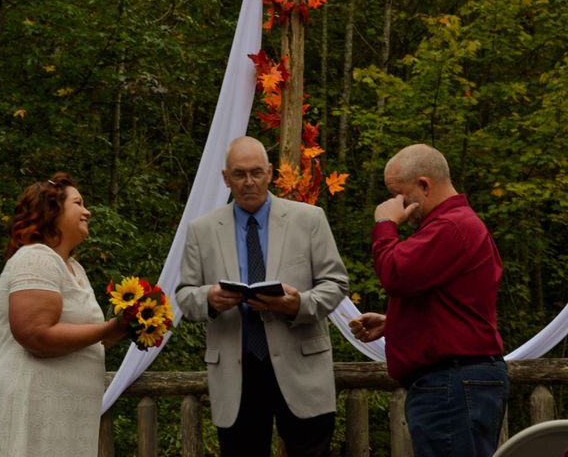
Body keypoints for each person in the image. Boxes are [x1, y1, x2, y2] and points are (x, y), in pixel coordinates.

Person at [176, 136, 349, 457]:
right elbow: (184, 296)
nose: (249, 182)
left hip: (301, 367)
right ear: (225, 178)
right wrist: (209, 299)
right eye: (239, 175)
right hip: (236, 372)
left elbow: (336, 283)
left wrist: (298, 305)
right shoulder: (202, 230)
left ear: (270, 173)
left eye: (256, 172)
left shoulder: (309, 219)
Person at [349, 144, 509, 457]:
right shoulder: (456, 225)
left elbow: (395, 274)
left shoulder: (450, 227)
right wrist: (396, 323)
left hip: (451, 383)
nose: (395, 204)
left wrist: (385, 224)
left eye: (399, 194)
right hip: (456, 381)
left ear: (424, 185)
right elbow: (454, 306)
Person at [0, 173, 126, 457]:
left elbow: (85, 337)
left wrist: (123, 327)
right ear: (52, 212)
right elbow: (36, 336)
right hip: (30, 407)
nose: (87, 211)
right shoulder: (35, 258)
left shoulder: (75, 268)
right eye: (78, 203)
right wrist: (107, 329)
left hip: (65, 413)